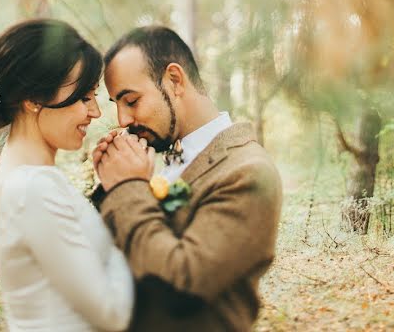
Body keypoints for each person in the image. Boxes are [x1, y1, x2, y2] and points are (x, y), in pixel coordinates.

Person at [92, 26, 283, 331]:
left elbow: (181, 287)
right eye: (117, 105)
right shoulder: (162, 159)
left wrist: (127, 187)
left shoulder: (247, 171)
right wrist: (110, 186)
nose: (122, 121)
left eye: (131, 101)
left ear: (175, 80)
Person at [0, 18, 137, 332]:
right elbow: (112, 313)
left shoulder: (20, 181)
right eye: (84, 97)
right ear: (33, 99)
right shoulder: (31, 188)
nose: (96, 112)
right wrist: (130, 196)